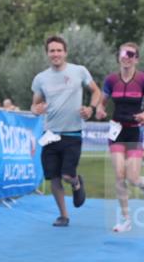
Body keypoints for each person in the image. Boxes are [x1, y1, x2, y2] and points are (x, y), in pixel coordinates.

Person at [31, 35, 102, 227]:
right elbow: (35, 104)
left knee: (66, 176)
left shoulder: (79, 71)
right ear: (47, 54)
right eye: (52, 51)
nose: (55, 54)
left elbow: (96, 91)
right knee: (53, 178)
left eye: (58, 50)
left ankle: (77, 182)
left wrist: (91, 109)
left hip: (73, 133)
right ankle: (63, 215)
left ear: (65, 52)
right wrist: (35, 109)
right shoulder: (41, 79)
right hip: (50, 135)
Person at [96, 42, 144, 233]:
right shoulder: (110, 80)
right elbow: (102, 103)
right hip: (116, 131)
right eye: (123, 53)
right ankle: (126, 220)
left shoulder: (143, 80)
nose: (126, 57)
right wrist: (99, 110)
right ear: (119, 56)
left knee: (132, 177)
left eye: (130, 54)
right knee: (119, 175)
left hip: (134, 131)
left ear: (136, 58)